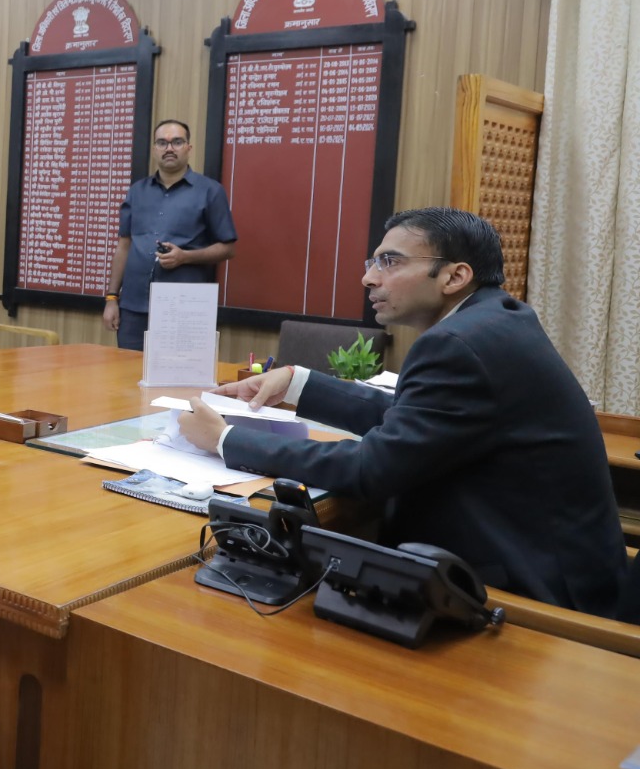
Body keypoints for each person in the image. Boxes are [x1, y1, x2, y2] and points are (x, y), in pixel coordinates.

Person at [179, 207, 627, 616]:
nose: (368, 278)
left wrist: (225, 439)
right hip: (566, 564)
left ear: (454, 276)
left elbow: (369, 469)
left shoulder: (457, 344)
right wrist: (297, 382)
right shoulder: (494, 320)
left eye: (389, 262)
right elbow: (414, 417)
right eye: (372, 262)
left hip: (530, 587)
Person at [102, 119, 236, 351]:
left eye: (177, 142)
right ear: (155, 149)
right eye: (162, 143)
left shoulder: (210, 191)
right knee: (127, 370)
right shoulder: (137, 191)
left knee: (178, 372)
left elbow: (228, 248)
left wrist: (185, 257)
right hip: (134, 308)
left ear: (188, 148)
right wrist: (112, 298)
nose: (169, 148)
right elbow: (124, 246)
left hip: (184, 308)